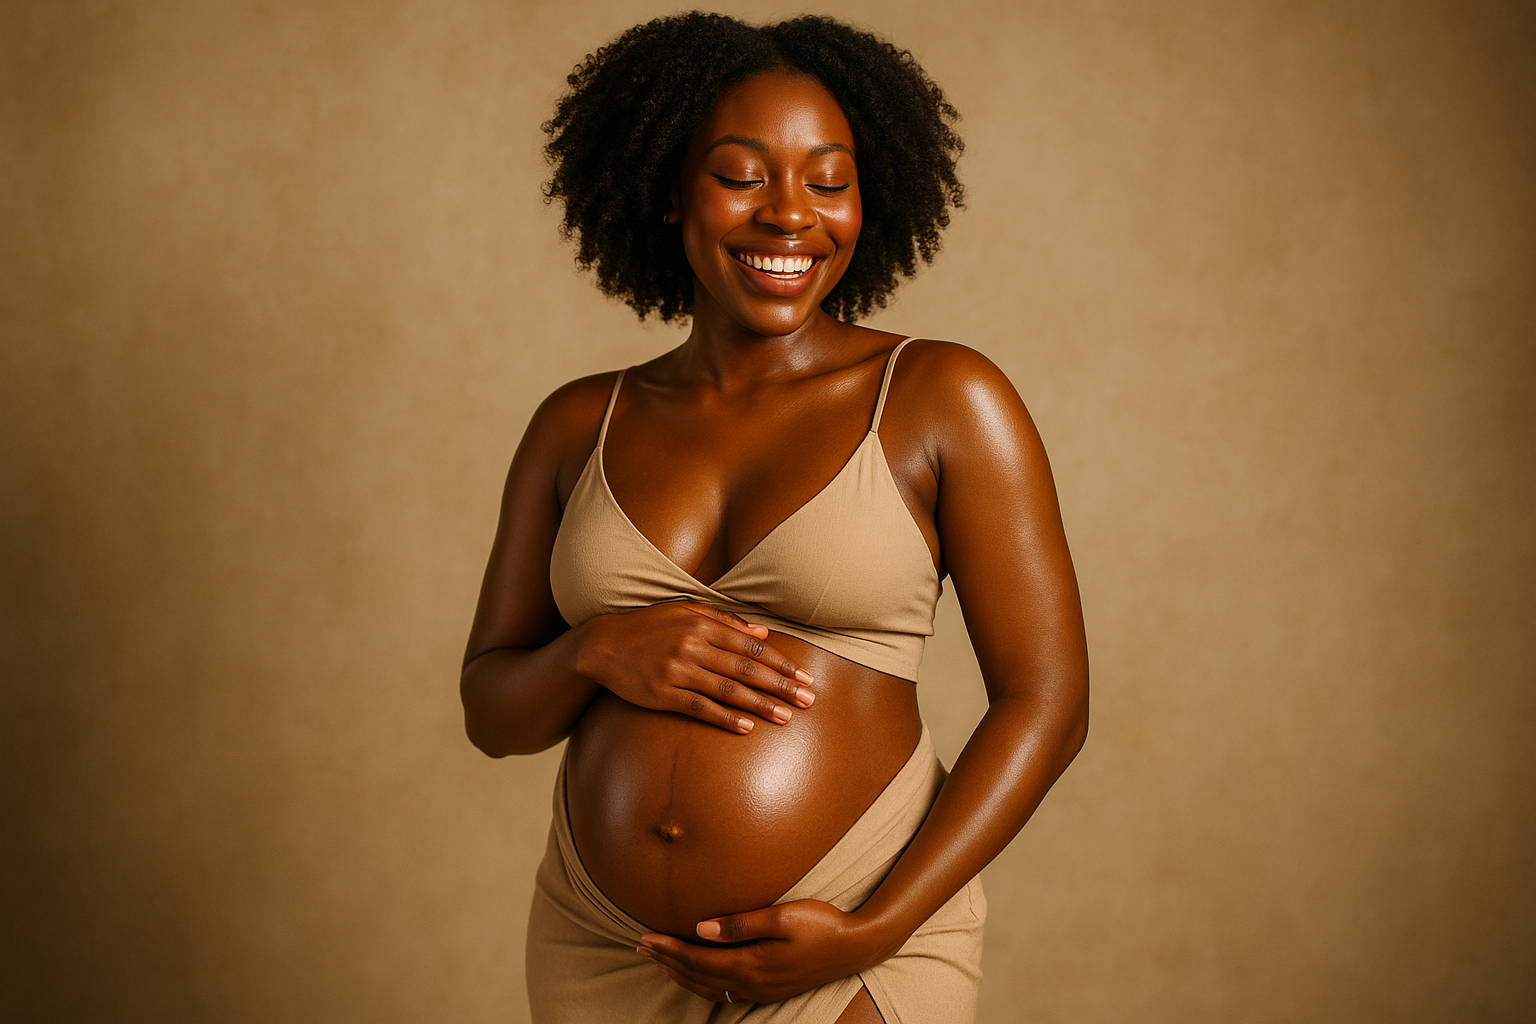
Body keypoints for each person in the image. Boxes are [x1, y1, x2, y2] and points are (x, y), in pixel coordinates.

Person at [460, 12, 1088, 1024]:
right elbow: (490, 709)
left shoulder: (942, 398)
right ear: (668, 190)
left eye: (828, 180)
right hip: (603, 944)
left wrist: (881, 925)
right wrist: (597, 650)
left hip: (854, 925)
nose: (790, 214)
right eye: (744, 175)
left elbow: (1047, 703)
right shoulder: (578, 421)